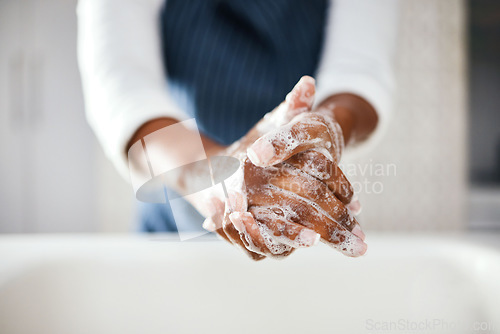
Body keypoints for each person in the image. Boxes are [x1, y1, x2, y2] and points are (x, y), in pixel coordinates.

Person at [77, 0, 398, 260]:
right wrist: (214, 176)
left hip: (301, 214)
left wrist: (328, 125)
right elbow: (124, 87)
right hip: (173, 225)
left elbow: (360, 69)